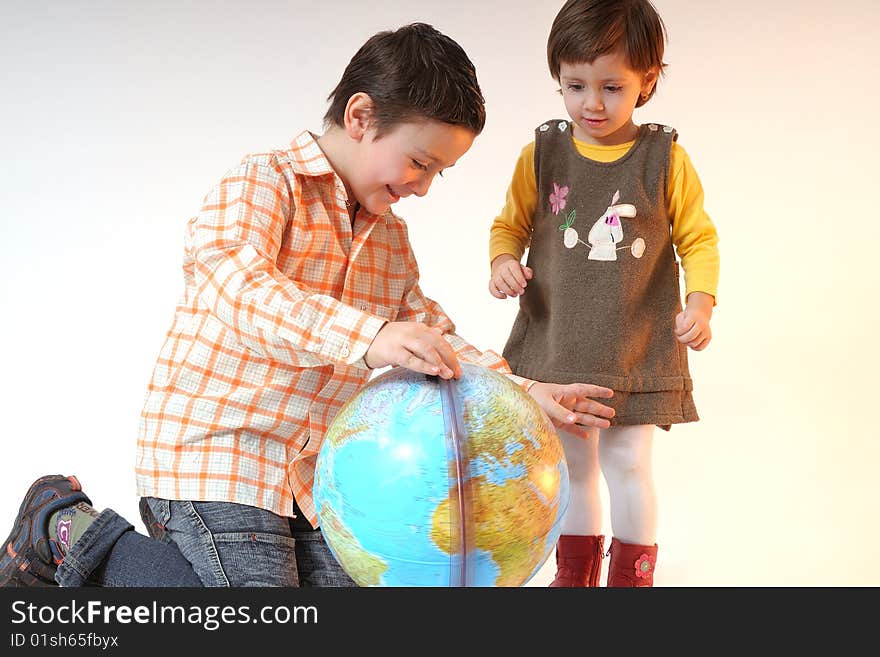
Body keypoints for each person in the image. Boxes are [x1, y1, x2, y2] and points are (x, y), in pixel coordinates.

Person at [1, 22, 616, 588]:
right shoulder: (264, 182)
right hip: (219, 454)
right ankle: (68, 532)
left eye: (439, 174)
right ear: (360, 116)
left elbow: (427, 330)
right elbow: (236, 285)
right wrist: (369, 335)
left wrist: (520, 389)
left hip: (311, 479)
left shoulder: (390, 237)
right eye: (419, 162)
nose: (423, 187)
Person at [487, 0, 720, 587]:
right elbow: (509, 224)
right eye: (576, 85)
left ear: (649, 80)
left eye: (612, 86)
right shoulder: (542, 153)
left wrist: (700, 302)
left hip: (633, 346)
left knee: (628, 463)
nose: (593, 103)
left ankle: (632, 577)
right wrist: (503, 261)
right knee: (570, 466)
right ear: (558, 79)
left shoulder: (664, 158)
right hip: (558, 341)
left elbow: (698, 237)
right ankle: (574, 572)